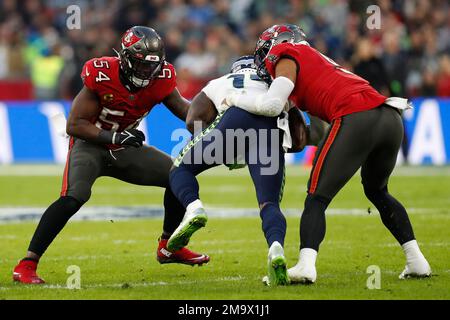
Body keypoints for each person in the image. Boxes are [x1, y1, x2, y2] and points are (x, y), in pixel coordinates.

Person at [226, 24, 431, 284]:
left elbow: (273, 104)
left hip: (356, 116)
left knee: (316, 199)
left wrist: (235, 101)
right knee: (377, 191)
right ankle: (416, 260)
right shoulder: (317, 61)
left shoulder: (285, 53)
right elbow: (321, 133)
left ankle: (305, 266)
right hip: (389, 117)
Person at [13, 26, 209, 284]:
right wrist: (114, 137)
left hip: (125, 148)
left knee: (177, 175)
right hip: (91, 145)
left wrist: (216, 128)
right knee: (74, 197)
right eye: (139, 65)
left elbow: (186, 112)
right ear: (125, 57)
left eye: (150, 67)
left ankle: (167, 247)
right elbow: (75, 124)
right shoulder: (102, 73)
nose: (145, 73)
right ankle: (27, 264)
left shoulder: (160, 77)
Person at [166, 56, 309, 286]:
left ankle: (194, 208)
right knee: (269, 204)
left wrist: (227, 149)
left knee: (180, 169)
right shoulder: (277, 84)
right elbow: (300, 140)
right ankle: (276, 249)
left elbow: (193, 121)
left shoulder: (220, 81)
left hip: (235, 120)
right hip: (269, 131)